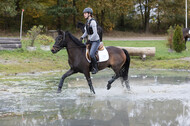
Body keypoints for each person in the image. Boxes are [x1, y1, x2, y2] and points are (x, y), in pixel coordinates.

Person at [80, 7, 100, 74]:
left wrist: (89, 40)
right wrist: (81, 37)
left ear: (89, 14)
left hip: (95, 41)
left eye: (85, 13)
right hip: (90, 40)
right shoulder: (87, 22)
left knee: (91, 54)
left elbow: (95, 33)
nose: (84, 15)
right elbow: (86, 32)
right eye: (84, 13)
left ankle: (96, 68)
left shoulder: (93, 22)